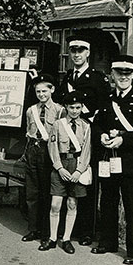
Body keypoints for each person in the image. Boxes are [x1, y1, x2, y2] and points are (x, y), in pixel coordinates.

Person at [91, 55, 133, 265]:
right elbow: (97, 123)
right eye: (119, 73)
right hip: (108, 160)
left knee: (132, 207)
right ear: (112, 74)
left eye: (127, 73)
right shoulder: (107, 98)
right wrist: (100, 135)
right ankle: (108, 242)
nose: (123, 77)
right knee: (108, 203)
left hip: (130, 161)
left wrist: (123, 139)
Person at [57, 35, 110, 246]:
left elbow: (105, 108)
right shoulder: (68, 76)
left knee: (87, 183)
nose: (77, 55)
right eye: (73, 51)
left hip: (88, 137)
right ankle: (70, 228)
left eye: (81, 51)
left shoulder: (97, 78)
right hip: (68, 138)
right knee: (68, 182)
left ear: (88, 53)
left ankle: (87, 230)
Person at [39, 91, 91, 254]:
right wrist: (59, 167)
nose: (74, 111)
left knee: (72, 203)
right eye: (71, 107)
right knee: (55, 204)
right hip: (61, 165)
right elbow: (52, 147)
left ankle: (66, 238)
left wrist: (79, 171)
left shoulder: (86, 126)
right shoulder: (58, 124)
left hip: (76, 165)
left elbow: (86, 151)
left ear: (82, 107)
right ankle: (53, 238)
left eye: (78, 107)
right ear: (66, 107)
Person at [21, 74, 65, 243]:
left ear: (52, 90)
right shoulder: (31, 110)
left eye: (44, 91)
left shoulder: (60, 111)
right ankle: (33, 229)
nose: (41, 94)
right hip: (33, 150)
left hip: (49, 152)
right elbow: (28, 133)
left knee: (48, 193)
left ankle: (47, 232)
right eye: (38, 91)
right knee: (32, 192)